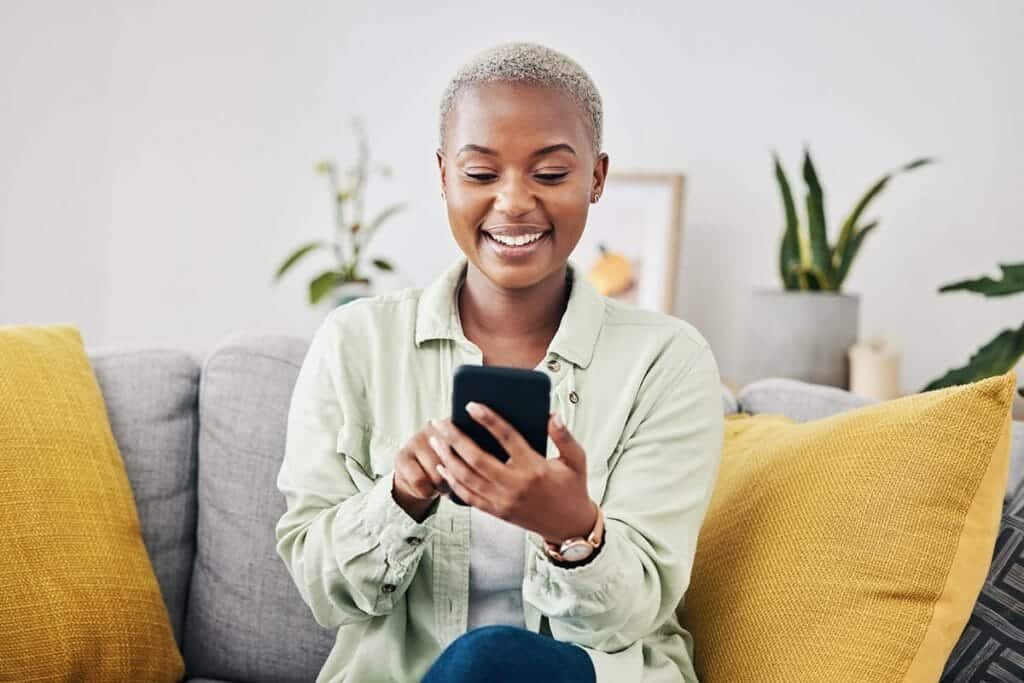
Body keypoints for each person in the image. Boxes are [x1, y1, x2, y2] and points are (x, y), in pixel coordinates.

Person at [274, 41, 725, 683]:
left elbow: (628, 619)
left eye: (548, 174)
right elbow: (323, 593)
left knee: (489, 662)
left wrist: (574, 532)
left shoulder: (667, 361)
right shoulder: (356, 341)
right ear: (442, 176)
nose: (513, 202)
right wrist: (401, 498)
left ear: (596, 177)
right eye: (481, 174)